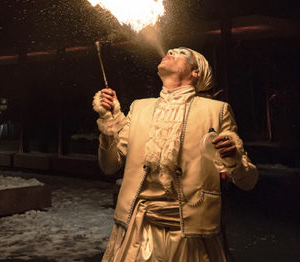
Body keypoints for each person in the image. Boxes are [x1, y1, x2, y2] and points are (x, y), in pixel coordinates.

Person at [93, 47, 258, 262]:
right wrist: (109, 120)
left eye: (181, 53)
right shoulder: (139, 108)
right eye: (171, 50)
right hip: (138, 230)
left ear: (196, 72)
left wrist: (233, 157)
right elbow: (109, 165)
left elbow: (248, 182)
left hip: (192, 232)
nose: (171, 51)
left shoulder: (217, 111)